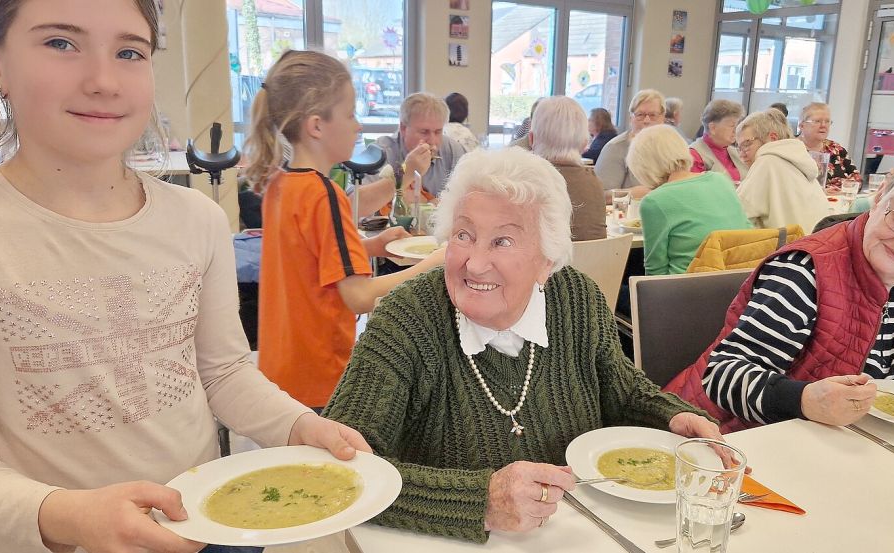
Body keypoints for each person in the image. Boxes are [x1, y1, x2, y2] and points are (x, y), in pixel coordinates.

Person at [0, 4, 370, 553]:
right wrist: (66, 514)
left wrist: (299, 425)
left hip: (202, 528)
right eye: (61, 43)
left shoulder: (197, 220)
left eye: (129, 52)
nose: (103, 81)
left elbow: (223, 371)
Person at [322, 147, 723, 542]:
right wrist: (477, 501)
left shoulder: (577, 299)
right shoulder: (406, 319)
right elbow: (342, 471)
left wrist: (671, 416)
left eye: (503, 242)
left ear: (547, 259)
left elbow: (622, 391)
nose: (475, 263)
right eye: (464, 235)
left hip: (580, 537)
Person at [246, 51, 445, 409]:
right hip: (320, 379)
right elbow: (360, 296)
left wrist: (373, 247)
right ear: (317, 125)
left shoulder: (280, 184)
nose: (358, 126)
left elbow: (306, 262)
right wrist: (435, 263)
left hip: (281, 373)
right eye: (351, 114)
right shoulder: (324, 193)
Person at [665, 186, 894, 433]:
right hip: (726, 435)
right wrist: (804, 400)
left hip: (840, 440)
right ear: (877, 200)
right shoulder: (804, 272)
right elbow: (721, 375)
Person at [626, 125, 752, 275]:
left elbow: (655, 271)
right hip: (740, 283)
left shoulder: (654, 201)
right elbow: (747, 229)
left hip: (687, 289)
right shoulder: (721, 180)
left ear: (643, 166)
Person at [735, 109, 829, 233]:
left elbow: (736, 215)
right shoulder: (799, 160)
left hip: (788, 250)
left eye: (747, 144)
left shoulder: (767, 161)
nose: (742, 155)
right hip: (812, 247)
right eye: (739, 147)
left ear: (772, 138)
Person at [529, 96, 606, 241]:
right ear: (585, 144)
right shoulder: (594, 183)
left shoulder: (526, 185)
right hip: (598, 263)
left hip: (553, 263)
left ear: (531, 139)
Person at [595, 89, 666, 198]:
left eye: (653, 115)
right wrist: (630, 193)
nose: (646, 120)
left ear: (663, 118)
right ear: (630, 118)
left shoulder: (669, 148)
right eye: (640, 115)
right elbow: (598, 195)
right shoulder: (616, 148)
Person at [797, 102, 862, 190]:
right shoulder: (791, 150)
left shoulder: (836, 149)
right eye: (817, 121)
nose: (823, 125)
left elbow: (857, 178)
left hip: (836, 201)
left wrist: (839, 188)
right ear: (801, 126)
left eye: (827, 121)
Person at [689, 99, 747, 183]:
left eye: (737, 125)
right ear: (713, 128)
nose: (736, 130)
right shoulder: (694, 155)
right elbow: (698, 191)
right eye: (732, 125)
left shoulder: (736, 151)